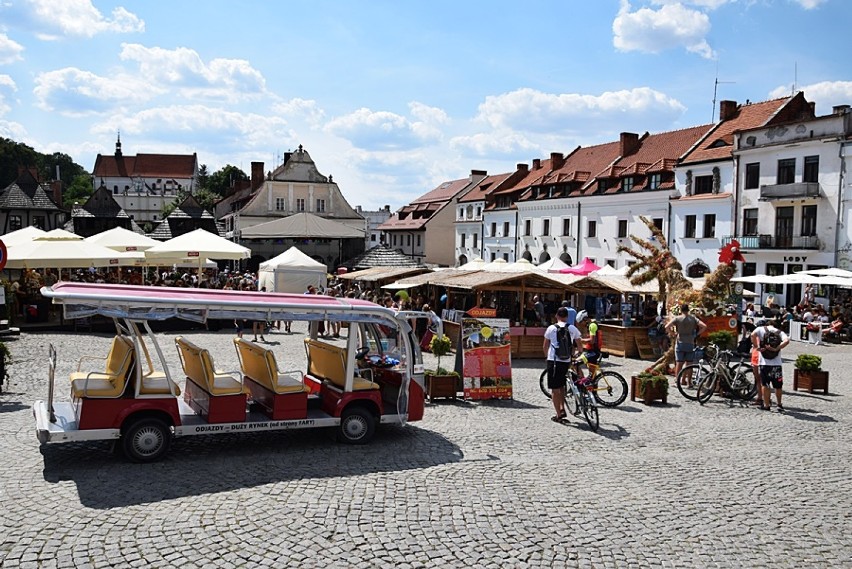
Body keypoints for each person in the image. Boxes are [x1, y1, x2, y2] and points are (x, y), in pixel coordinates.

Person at [543, 307, 581, 422]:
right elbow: (580, 347)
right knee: (562, 385)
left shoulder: (551, 328)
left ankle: (559, 414)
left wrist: (547, 357)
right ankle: (562, 408)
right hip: (566, 361)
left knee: (555, 389)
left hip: (553, 361)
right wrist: (574, 356)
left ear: (556, 316)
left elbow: (545, 346)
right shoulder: (572, 328)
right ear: (567, 317)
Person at [751, 318, 790, 411]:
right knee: (778, 385)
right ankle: (779, 404)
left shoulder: (761, 329)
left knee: (765, 384)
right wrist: (777, 348)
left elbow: (752, 335)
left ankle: (766, 405)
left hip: (764, 363)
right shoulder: (779, 332)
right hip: (777, 364)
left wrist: (757, 346)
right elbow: (787, 341)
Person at [665, 303, 707, 382]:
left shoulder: (678, 318)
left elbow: (666, 327)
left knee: (679, 363)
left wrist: (673, 334)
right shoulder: (693, 318)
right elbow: (704, 326)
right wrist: (696, 334)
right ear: (688, 310)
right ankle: (689, 382)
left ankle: (677, 380)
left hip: (680, 341)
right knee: (689, 364)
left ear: (681, 310)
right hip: (690, 342)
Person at [574, 310, 601, 380]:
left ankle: (582, 382)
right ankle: (592, 389)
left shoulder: (592, 326)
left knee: (575, 363)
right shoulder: (591, 324)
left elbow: (592, 341)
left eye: (581, 322)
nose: (581, 324)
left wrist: (581, 340)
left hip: (593, 352)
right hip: (593, 351)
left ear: (585, 319)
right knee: (592, 376)